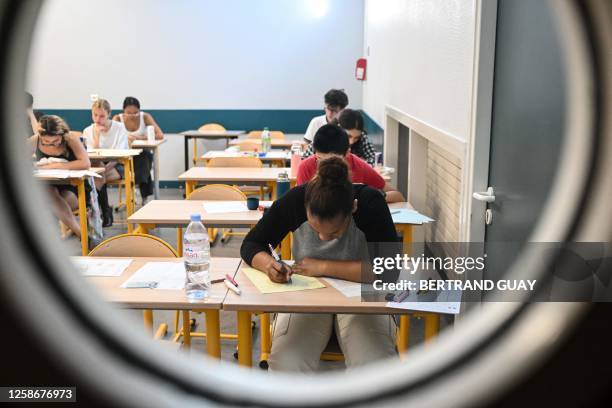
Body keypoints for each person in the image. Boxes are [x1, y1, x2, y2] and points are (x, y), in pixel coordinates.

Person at [241, 156, 399, 372]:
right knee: (287, 365)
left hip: (363, 299)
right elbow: (252, 244)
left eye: (334, 232)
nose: (324, 238)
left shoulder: (369, 203)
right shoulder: (297, 199)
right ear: (306, 206)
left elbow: (389, 271)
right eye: (316, 230)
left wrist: (323, 266)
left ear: (352, 208)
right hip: (307, 297)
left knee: (374, 366)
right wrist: (269, 265)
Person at [298, 125, 405, 203]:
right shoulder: (306, 167)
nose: (325, 167)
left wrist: (371, 197)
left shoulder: (358, 166)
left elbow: (398, 196)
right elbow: (301, 204)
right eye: (320, 159)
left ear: (347, 153)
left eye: (332, 162)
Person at [30, 115, 90, 238]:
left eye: (55, 141)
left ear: (62, 136)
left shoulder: (71, 139)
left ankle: (72, 235)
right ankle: (82, 235)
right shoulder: (35, 140)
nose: (51, 145)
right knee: (48, 193)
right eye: (46, 142)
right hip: (49, 187)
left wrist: (53, 165)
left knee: (48, 206)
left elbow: (85, 163)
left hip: (74, 188)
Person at [83, 99, 129, 227]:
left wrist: (104, 170)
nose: (97, 119)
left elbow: (120, 154)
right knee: (98, 168)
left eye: (102, 116)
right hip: (97, 166)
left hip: (117, 165)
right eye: (95, 115)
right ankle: (105, 212)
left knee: (96, 175)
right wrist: (97, 136)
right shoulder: (88, 130)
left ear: (109, 114)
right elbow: (92, 154)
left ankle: (95, 211)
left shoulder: (119, 127)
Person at [112, 96, 163, 204]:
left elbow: (160, 134)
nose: (132, 116)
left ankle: (135, 185)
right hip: (124, 155)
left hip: (141, 153)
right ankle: (141, 192)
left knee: (145, 157)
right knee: (145, 164)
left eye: (135, 113)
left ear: (139, 110)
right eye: (128, 113)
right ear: (123, 111)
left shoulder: (145, 117)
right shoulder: (117, 118)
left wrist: (140, 138)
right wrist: (126, 139)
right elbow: (112, 137)